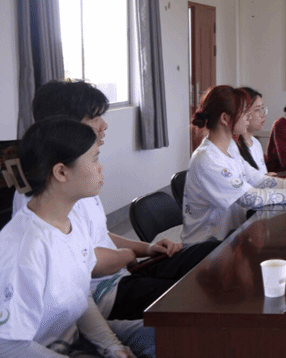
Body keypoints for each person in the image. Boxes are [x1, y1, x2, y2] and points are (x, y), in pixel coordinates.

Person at [12, 79, 218, 322]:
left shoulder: (77, 176)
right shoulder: (49, 189)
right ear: (66, 126)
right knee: (195, 295)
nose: (104, 125)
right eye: (94, 118)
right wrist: (127, 255)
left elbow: (99, 234)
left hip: (120, 273)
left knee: (210, 252)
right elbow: (85, 261)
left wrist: (147, 249)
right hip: (101, 292)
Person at [0, 118, 142, 357]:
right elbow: (9, 346)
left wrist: (113, 347)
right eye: (94, 158)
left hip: (75, 339)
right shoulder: (25, 246)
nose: (100, 167)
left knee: (170, 333)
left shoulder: (71, 223)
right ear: (61, 172)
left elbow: (81, 297)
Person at [183, 85, 286, 244]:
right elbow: (251, 198)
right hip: (206, 247)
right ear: (225, 119)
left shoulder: (230, 148)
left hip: (231, 238)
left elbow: (259, 180)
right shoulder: (207, 158)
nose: (249, 117)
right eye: (244, 112)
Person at [236, 87, 271, 175]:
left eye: (263, 108)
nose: (263, 114)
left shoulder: (256, 143)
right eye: (258, 110)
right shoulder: (234, 147)